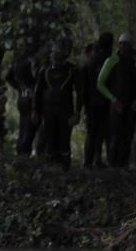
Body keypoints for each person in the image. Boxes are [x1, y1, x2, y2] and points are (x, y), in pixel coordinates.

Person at [33, 37, 82, 170]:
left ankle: (65, 168)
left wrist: (77, 112)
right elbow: (37, 91)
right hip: (48, 111)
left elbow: (80, 92)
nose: (55, 54)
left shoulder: (72, 70)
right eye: (54, 51)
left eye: (59, 51)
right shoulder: (45, 70)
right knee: (50, 139)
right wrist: (35, 110)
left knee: (64, 140)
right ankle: (51, 166)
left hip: (66, 111)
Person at [97, 32, 136, 168]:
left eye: (126, 44)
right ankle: (113, 167)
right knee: (114, 137)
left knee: (128, 138)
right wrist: (113, 99)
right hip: (116, 105)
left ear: (131, 46)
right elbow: (100, 83)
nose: (123, 46)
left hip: (132, 107)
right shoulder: (112, 60)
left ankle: (124, 165)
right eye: (120, 43)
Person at [81, 33, 113, 168]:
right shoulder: (109, 60)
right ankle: (95, 160)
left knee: (92, 133)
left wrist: (83, 104)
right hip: (104, 102)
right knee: (101, 133)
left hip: (91, 103)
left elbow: (83, 85)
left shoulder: (89, 61)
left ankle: (89, 162)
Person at [6, 49, 38, 156]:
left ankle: (21, 150)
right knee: (29, 126)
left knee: (23, 125)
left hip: (22, 97)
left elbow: (8, 77)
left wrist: (19, 87)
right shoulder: (31, 61)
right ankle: (24, 151)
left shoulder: (17, 61)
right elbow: (37, 79)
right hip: (30, 98)